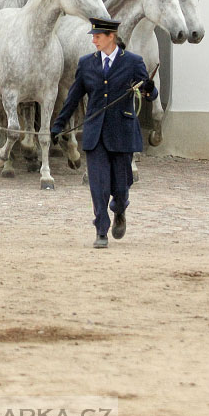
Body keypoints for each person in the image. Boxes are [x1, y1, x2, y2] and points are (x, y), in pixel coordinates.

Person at [51, 16, 157, 249]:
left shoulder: (133, 62)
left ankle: (120, 209)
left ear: (112, 37)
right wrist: (58, 125)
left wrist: (149, 89)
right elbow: (73, 97)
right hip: (95, 133)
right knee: (98, 185)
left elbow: (150, 94)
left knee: (121, 187)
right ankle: (101, 229)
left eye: (98, 36)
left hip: (122, 133)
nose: (94, 40)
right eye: (94, 36)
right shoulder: (87, 64)